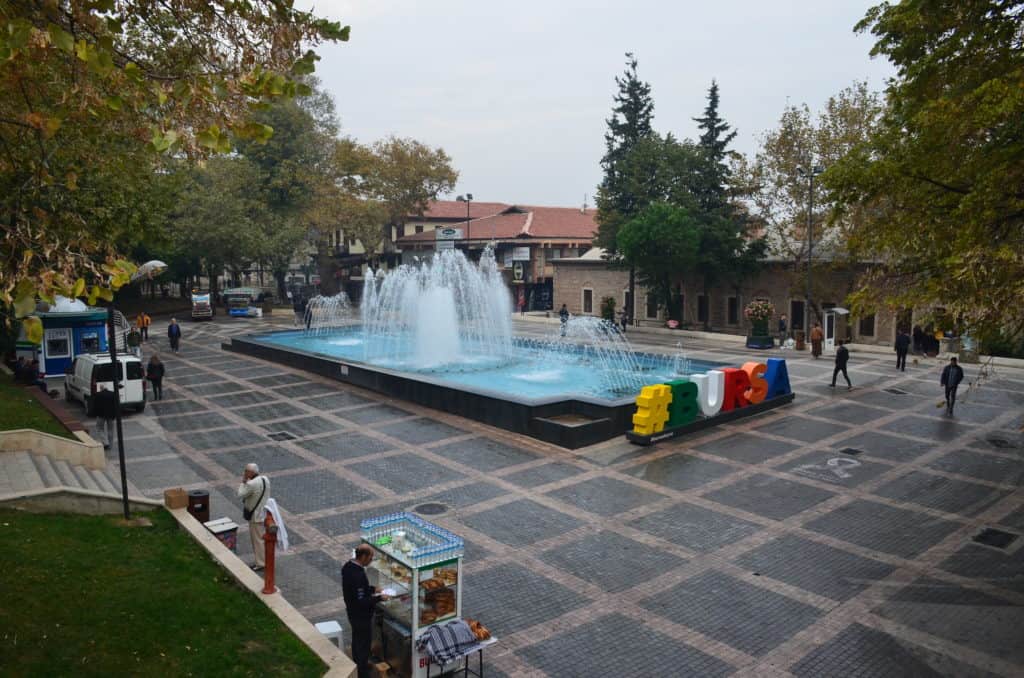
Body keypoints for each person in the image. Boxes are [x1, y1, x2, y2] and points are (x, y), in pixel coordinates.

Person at [342, 544, 390, 678]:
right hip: (360, 615)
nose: (371, 560)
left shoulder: (348, 567)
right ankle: (362, 672)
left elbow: (357, 591)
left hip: (352, 612)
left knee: (357, 639)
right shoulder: (358, 574)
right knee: (363, 643)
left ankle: (359, 663)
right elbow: (361, 601)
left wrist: (373, 589)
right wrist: (379, 598)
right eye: (370, 557)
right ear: (363, 556)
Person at [237, 463, 270, 570]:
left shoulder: (251, 484)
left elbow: (240, 494)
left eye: (246, 471)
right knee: (261, 538)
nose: (245, 473)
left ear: (251, 472)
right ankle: (265, 559)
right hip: (263, 513)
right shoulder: (265, 479)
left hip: (255, 516)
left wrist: (243, 482)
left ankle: (261, 563)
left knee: (257, 540)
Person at [92, 384, 118, 449]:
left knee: (99, 428)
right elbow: (116, 405)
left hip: (100, 415)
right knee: (110, 430)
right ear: (107, 388)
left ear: (101, 388)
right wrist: (115, 414)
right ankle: (110, 445)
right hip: (111, 415)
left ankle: (105, 442)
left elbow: (95, 406)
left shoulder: (98, 394)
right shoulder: (113, 394)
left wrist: (95, 414)